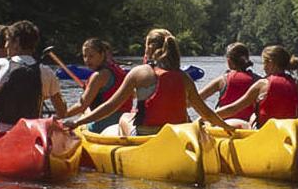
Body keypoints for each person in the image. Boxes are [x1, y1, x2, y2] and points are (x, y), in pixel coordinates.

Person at [64, 27, 231, 136]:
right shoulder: (183, 77)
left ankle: (123, 149)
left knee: (125, 117)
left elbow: (110, 106)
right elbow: (206, 113)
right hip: (176, 134)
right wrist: (228, 129)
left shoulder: (138, 73)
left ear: (148, 49)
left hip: (147, 135)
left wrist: (78, 122)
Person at [61, 38, 133, 134]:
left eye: (91, 56)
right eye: (84, 56)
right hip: (123, 119)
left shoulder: (98, 76)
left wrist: (60, 115)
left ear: (102, 55)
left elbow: (81, 105)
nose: (87, 60)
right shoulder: (118, 70)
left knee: (80, 117)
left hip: (104, 123)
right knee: (86, 111)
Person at [197, 42, 261, 124]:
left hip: (223, 125)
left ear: (229, 61)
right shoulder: (260, 81)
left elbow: (196, 99)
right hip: (248, 127)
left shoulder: (222, 80)